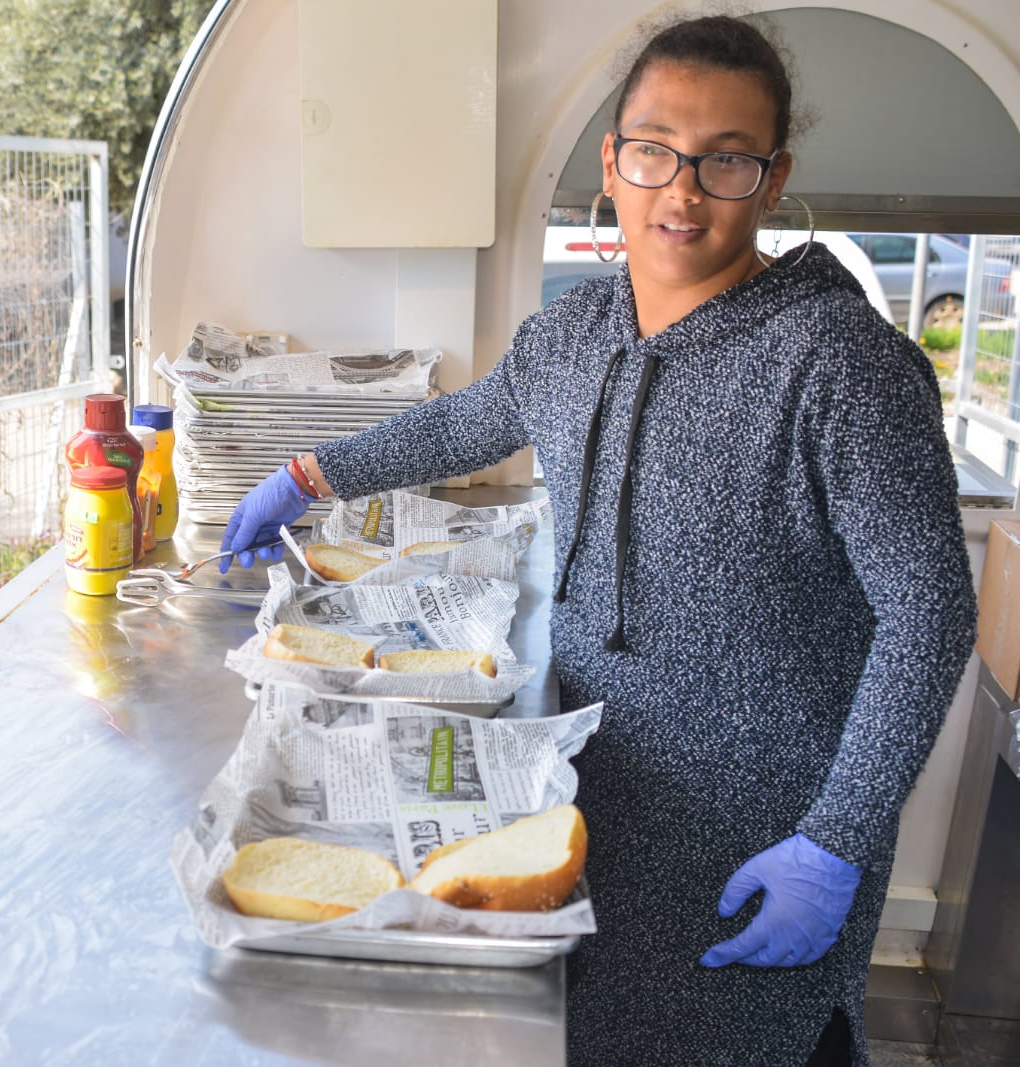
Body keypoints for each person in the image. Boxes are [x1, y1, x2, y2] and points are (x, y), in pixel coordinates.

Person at [218, 14, 976, 1067]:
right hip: (593, 776)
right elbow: (462, 422)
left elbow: (930, 610)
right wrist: (305, 475)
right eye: (655, 150)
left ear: (773, 176)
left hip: (763, 820)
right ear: (612, 163)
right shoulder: (575, 331)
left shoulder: (842, 365)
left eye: (726, 159)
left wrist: (839, 836)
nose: (683, 190)